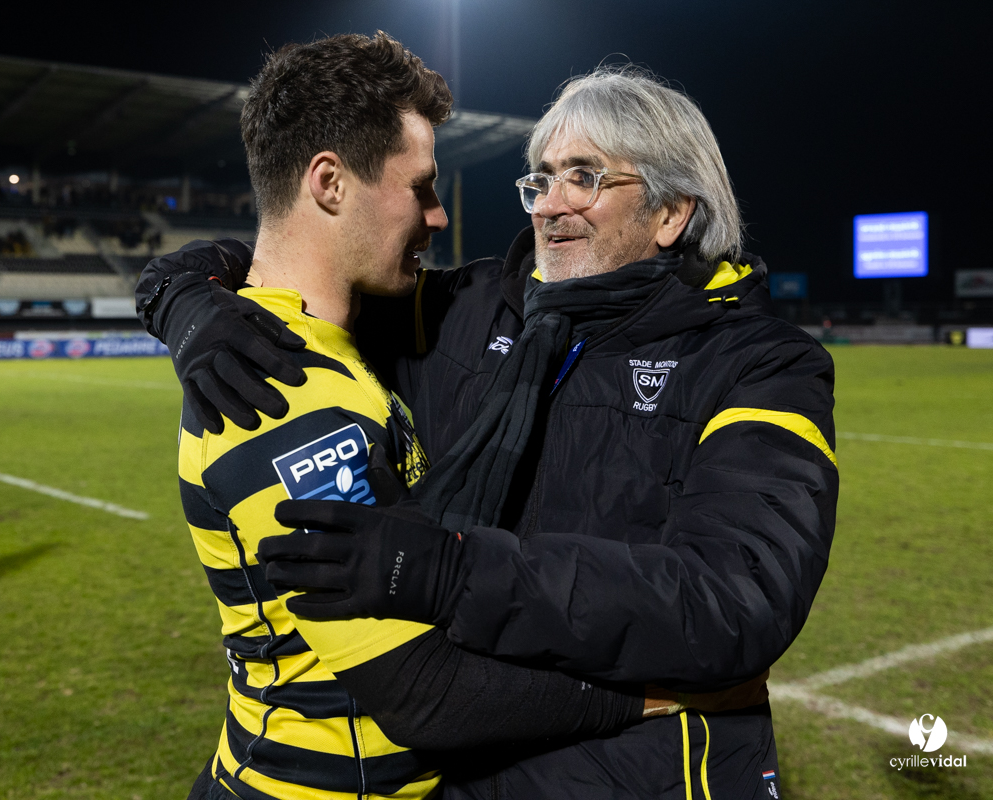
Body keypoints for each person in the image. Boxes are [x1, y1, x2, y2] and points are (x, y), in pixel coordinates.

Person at [142, 37, 762, 800]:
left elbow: (737, 594)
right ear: (330, 183)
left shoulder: (369, 333)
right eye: (422, 187)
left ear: (674, 213)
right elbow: (422, 689)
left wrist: (177, 288)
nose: (439, 215)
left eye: (585, 176)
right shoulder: (274, 380)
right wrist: (639, 700)